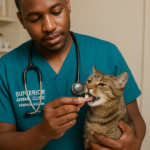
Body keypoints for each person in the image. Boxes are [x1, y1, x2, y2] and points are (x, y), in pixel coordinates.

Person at [0, 0, 146, 149]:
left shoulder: (108, 53)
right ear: (21, 20)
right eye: (35, 19)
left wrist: (134, 142)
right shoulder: (6, 67)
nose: (49, 26)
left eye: (56, 12)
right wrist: (42, 132)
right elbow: (2, 140)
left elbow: (134, 115)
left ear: (68, 5)